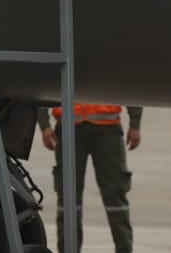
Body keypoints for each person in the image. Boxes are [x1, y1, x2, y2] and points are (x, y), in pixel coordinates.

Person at [39, 103, 142, 253]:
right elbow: (44, 83)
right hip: (69, 129)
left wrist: (135, 124)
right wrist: (44, 124)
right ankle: (68, 249)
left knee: (115, 194)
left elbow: (131, 83)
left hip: (108, 129)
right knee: (68, 195)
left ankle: (124, 249)